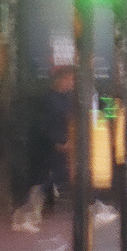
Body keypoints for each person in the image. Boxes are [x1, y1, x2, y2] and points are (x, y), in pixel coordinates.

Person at [16, 65, 75, 231]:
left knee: (57, 174)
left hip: (64, 141)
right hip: (51, 144)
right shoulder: (50, 99)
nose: (72, 83)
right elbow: (45, 124)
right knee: (53, 175)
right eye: (70, 79)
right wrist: (57, 141)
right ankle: (27, 211)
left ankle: (30, 210)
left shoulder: (67, 98)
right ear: (61, 80)